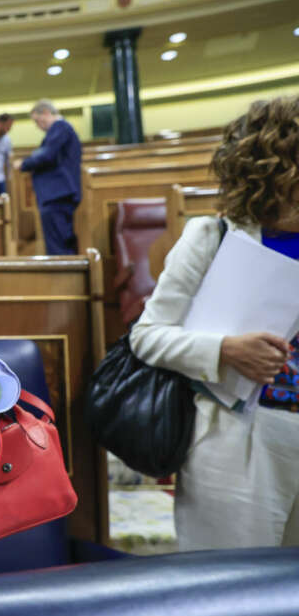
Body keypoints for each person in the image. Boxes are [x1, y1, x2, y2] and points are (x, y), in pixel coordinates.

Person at [130, 96, 299, 551]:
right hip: (238, 440)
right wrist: (224, 348)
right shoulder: (213, 237)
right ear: (275, 170)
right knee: (233, 592)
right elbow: (146, 337)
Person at [19, 99, 81, 255]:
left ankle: (63, 280)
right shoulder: (61, 129)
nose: (37, 126)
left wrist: (24, 164)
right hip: (56, 195)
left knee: (58, 246)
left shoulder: (60, 127)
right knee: (58, 242)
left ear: (46, 113)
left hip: (57, 194)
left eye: (37, 121)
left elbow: (47, 155)